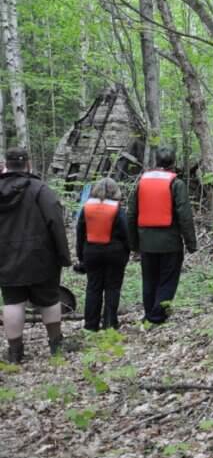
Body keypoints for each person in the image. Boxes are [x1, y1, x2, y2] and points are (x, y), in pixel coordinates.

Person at [0, 147, 72, 363]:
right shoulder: (40, 189)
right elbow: (56, 223)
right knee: (49, 300)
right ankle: (56, 346)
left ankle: (15, 353)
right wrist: (63, 255)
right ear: (28, 164)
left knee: (13, 302)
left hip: (5, 258)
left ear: (6, 164)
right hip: (41, 257)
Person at [127, 147, 196, 325]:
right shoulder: (177, 184)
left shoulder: (141, 183)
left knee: (149, 280)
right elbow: (185, 216)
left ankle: (149, 315)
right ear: (174, 162)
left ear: (156, 161)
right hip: (170, 243)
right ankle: (157, 317)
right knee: (167, 280)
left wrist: (133, 243)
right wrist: (191, 243)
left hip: (146, 243)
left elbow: (131, 214)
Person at [75, 177, 130, 331]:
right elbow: (126, 233)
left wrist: (81, 256)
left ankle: (91, 325)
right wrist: (128, 250)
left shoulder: (87, 208)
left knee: (93, 288)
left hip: (91, 252)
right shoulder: (118, 209)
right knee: (113, 288)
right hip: (115, 253)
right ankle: (110, 324)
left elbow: (80, 233)